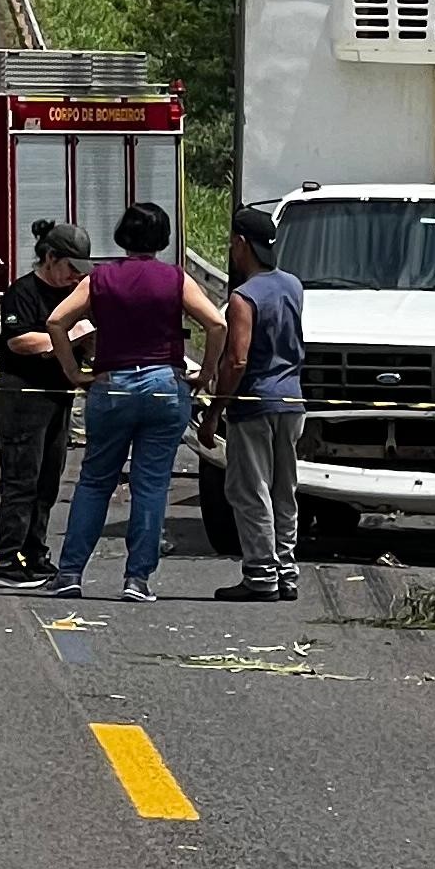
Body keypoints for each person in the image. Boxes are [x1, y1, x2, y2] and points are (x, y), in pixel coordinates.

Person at [44, 202, 226, 604]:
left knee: (94, 481)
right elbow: (216, 323)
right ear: (162, 239)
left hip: (113, 383)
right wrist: (206, 372)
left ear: (122, 236)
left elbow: (56, 321)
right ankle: (137, 580)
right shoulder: (175, 279)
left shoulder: (101, 278)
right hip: (164, 382)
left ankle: (71, 572)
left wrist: (74, 372)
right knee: (151, 484)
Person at [196, 202, 308, 602]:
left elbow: (237, 359)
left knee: (250, 489)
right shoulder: (293, 285)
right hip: (292, 401)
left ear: (241, 243)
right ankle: (286, 570)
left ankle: (260, 574)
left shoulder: (244, 298)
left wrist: (214, 413)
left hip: (255, 403)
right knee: (284, 489)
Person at [0, 218, 90, 584]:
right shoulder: (24, 292)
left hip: (59, 392)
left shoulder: (75, 295)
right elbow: (18, 341)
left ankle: (35, 550)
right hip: (24, 391)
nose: (74, 276)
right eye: (70, 267)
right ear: (49, 258)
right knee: (21, 478)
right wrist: (70, 335)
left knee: (49, 478)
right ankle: (6, 558)